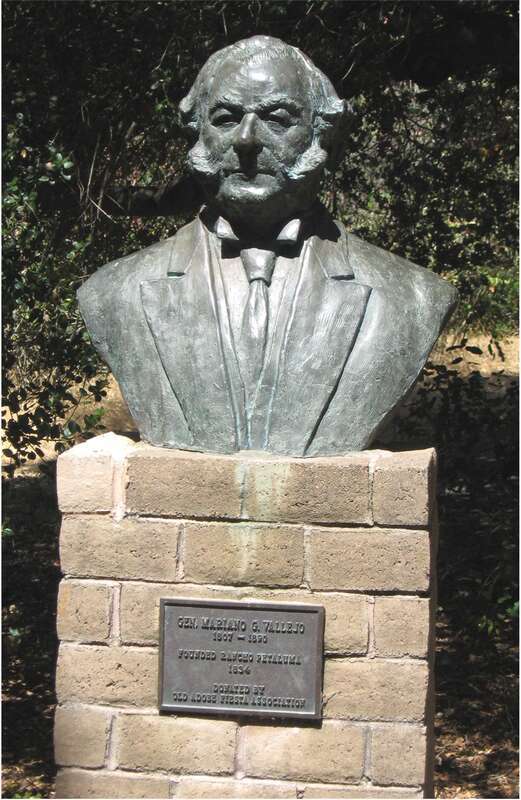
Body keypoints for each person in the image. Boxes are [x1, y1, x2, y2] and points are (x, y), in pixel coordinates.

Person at [78, 36, 457, 456]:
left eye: (277, 119)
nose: (245, 140)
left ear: (322, 135)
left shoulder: (413, 298)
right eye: (224, 118)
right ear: (196, 132)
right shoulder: (113, 292)